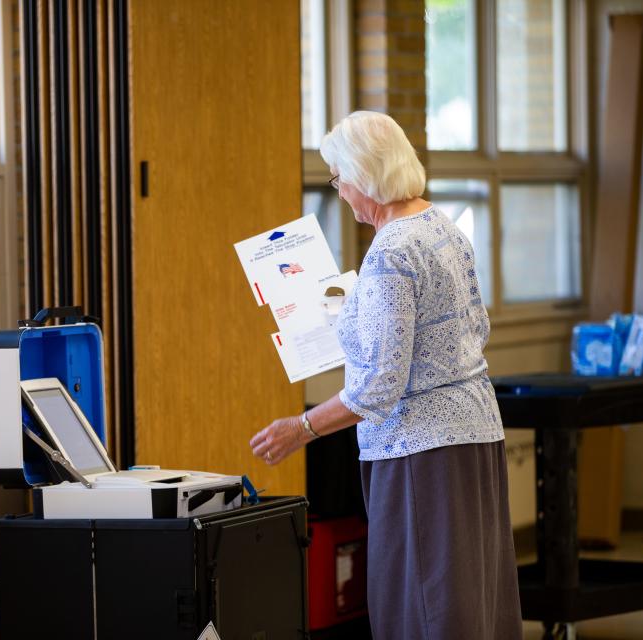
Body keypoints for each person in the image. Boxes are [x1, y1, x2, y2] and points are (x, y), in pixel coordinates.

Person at [249, 111, 522, 639]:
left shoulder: (391, 252)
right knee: (471, 602)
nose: (341, 192)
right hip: (474, 436)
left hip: (420, 450)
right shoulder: (441, 228)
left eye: (339, 178)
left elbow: (378, 385)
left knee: (425, 606)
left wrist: (300, 429)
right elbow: (472, 327)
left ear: (364, 174)